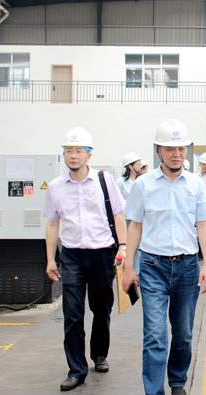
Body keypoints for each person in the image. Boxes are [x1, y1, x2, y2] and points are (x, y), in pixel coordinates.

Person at [122, 119, 206, 395]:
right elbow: (135, 226)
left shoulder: (195, 184)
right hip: (153, 266)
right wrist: (129, 267)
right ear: (158, 150)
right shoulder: (143, 185)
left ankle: (177, 381)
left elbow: (203, 225)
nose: (177, 154)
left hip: (187, 267)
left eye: (181, 149)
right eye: (170, 149)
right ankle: (154, 391)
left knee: (183, 333)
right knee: (154, 334)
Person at [44, 127, 128, 392]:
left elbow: (118, 215)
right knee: (72, 313)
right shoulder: (56, 187)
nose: (73, 155)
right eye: (68, 151)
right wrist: (50, 259)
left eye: (79, 151)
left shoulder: (104, 180)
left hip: (102, 253)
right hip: (71, 255)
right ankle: (76, 370)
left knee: (101, 309)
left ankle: (99, 354)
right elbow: (52, 223)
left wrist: (123, 246)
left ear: (89, 155)